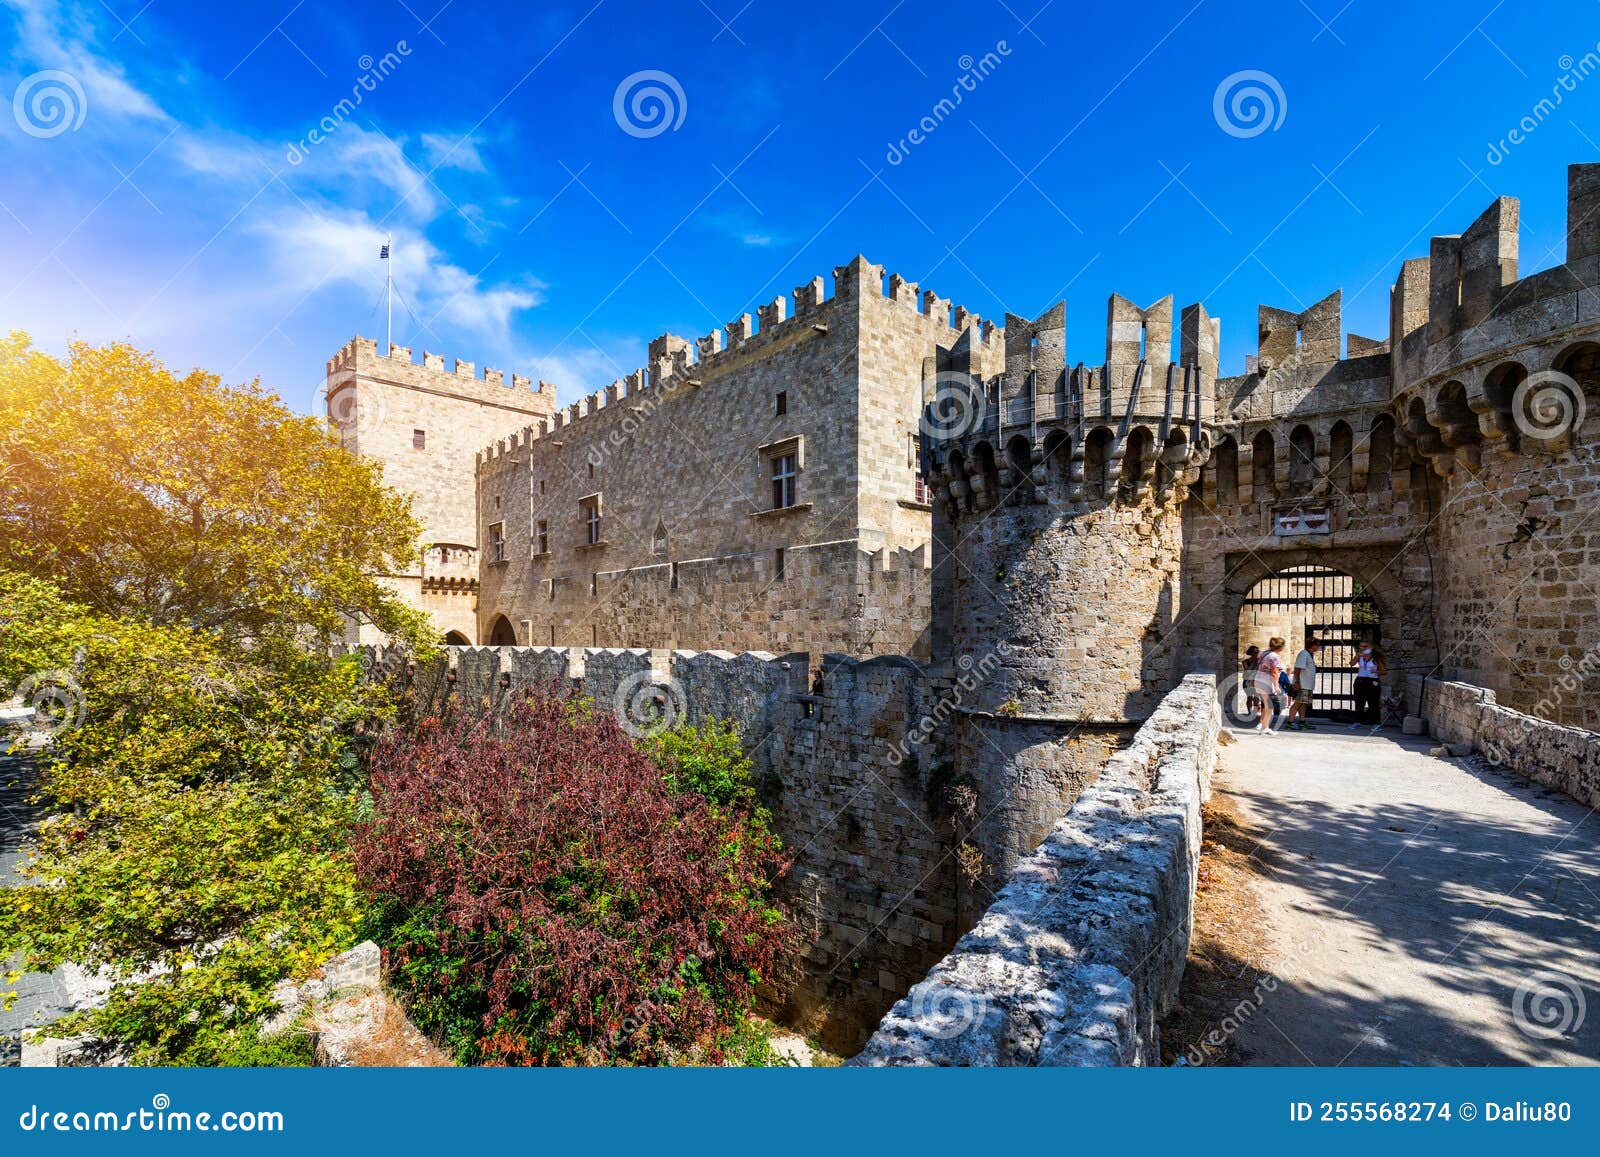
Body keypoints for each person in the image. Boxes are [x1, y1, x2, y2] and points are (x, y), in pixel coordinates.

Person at [1286, 637, 1321, 731]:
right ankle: (1290, 722)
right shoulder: (1304, 654)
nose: (1318, 647)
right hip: (1302, 684)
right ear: (1312, 645)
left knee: (1303, 704)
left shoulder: (1308, 654)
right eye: (1317, 645)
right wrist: (1297, 682)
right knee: (1297, 703)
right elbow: (1297, 669)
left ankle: (1302, 721)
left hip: (1307, 685)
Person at [1253, 638, 1287, 735]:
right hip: (1266, 681)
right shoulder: (1274, 656)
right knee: (1269, 706)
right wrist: (1276, 686)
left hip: (1259, 678)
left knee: (1267, 705)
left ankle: (1264, 727)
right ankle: (1264, 728)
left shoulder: (1264, 653)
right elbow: (1274, 672)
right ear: (1280, 647)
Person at [1353, 641, 1387, 727]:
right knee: (1359, 701)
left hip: (1373, 681)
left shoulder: (1376, 658)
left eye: (1365, 646)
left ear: (1371, 647)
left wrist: (1377, 671)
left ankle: (1375, 721)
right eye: (1361, 646)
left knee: (1373, 702)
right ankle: (1358, 721)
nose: (1362, 648)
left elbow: (1384, 671)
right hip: (1360, 680)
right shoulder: (1360, 656)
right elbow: (1351, 663)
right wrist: (1357, 657)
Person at [1241, 645, 1262, 718]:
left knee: (1256, 697)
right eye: (1255, 652)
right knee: (1249, 697)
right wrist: (1253, 662)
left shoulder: (1260, 662)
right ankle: (1249, 712)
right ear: (1251, 653)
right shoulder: (1245, 661)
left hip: (1257, 681)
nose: (1256, 654)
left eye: (1257, 652)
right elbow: (1247, 670)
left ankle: (1255, 712)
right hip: (1247, 681)